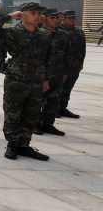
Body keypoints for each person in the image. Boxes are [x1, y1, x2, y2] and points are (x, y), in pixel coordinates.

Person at [0, 2, 53, 161]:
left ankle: (24, 145)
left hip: (37, 78)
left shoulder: (45, 35)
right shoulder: (13, 33)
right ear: (23, 14)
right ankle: (12, 145)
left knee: (32, 113)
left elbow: (47, 58)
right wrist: (9, 16)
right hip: (17, 78)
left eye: (38, 13)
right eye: (33, 13)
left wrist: (46, 78)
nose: (37, 16)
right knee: (13, 112)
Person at [36, 8, 68, 136]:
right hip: (42, 73)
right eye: (52, 18)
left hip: (58, 72)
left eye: (57, 18)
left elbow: (66, 54)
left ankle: (48, 124)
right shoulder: (39, 34)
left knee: (54, 101)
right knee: (38, 100)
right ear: (44, 19)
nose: (55, 20)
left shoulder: (63, 34)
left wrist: (65, 71)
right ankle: (35, 124)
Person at [58, 10, 85, 118]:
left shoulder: (79, 32)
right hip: (60, 66)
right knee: (57, 90)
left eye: (73, 18)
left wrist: (81, 63)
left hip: (74, 66)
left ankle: (62, 108)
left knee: (67, 89)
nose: (72, 19)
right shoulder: (58, 31)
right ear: (63, 18)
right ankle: (53, 110)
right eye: (69, 18)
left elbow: (83, 49)